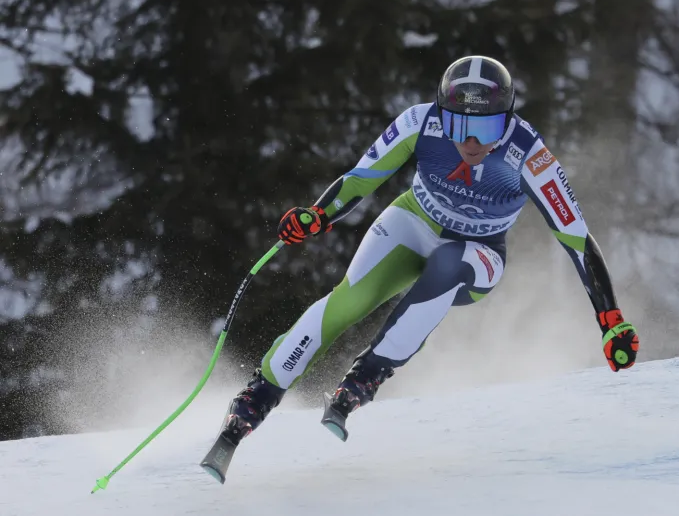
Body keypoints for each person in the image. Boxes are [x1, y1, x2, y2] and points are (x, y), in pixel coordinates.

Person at [221, 55, 639, 443]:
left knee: (446, 264)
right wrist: (317, 215)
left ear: (507, 123)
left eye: (487, 129)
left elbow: (576, 237)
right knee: (349, 300)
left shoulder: (529, 155)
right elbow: (361, 177)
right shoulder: (420, 122)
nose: (472, 143)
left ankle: (367, 375)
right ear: (443, 117)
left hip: (480, 251)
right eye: (460, 127)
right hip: (413, 221)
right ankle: (259, 394)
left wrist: (610, 318)